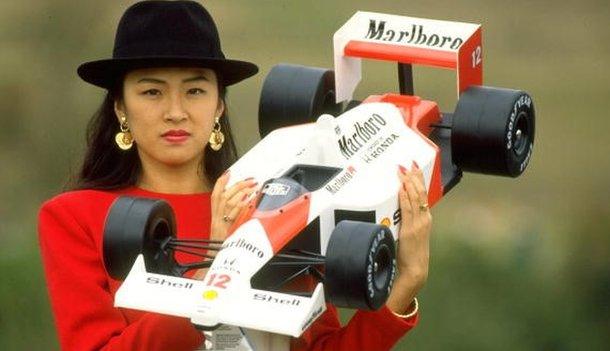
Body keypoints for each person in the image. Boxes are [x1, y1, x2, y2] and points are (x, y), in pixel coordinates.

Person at [38, 1, 433, 350]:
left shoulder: (277, 205)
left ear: (219, 107)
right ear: (120, 108)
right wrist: (213, 271)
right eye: (152, 92)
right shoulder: (75, 218)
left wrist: (403, 287)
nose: (176, 110)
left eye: (194, 91)